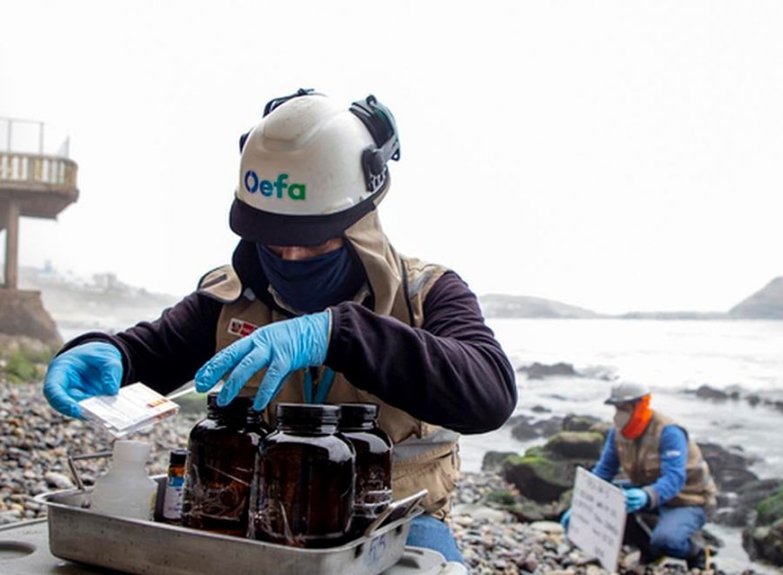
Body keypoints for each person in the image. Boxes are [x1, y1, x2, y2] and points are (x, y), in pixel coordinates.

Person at [42, 88, 517, 563]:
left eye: (312, 242)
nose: (290, 257)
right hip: (266, 522)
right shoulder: (231, 298)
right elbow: (156, 350)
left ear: (360, 224)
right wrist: (109, 352)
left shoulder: (427, 294)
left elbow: (489, 393)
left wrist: (337, 334)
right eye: (273, 240)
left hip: (394, 526)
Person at [563, 381, 716, 569]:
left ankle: (697, 551)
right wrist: (582, 507)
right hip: (646, 490)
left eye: (625, 408)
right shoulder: (617, 433)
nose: (619, 414)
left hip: (687, 498)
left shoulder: (669, 432)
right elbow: (604, 471)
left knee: (667, 540)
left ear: (641, 405)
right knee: (613, 501)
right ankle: (649, 550)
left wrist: (646, 495)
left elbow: (674, 479)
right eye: (617, 408)